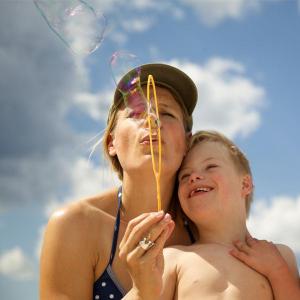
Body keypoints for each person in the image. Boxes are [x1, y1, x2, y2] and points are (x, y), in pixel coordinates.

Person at [39, 63, 198, 300]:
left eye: (166, 113)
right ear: (111, 142)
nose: (153, 120)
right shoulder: (75, 225)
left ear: (187, 143)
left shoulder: (204, 227)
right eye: (136, 113)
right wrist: (142, 293)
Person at [121, 130, 299, 300]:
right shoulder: (172, 259)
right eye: (184, 176)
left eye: (210, 166)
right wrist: (140, 290)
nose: (194, 177)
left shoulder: (280, 256)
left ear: (245, 184)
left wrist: (277, 271)